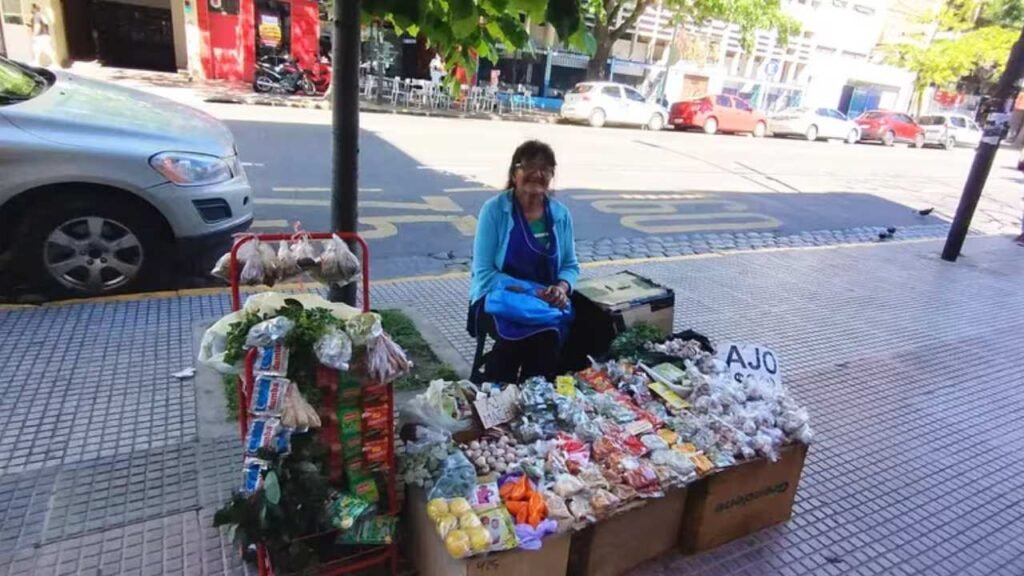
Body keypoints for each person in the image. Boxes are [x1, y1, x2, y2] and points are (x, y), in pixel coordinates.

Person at [467, 140, 580, 383]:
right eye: (530, 165)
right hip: (496, 298)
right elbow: (484, 272)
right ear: (514, 172)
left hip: (544, 304)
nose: (538, 174)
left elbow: (570, 266)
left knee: (549, 337)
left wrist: (561, 288)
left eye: (546, 168)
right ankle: (497, 400)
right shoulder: (495, 210)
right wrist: (532, 291)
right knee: (517, 338)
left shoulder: (560, 215)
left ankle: (535, 401)